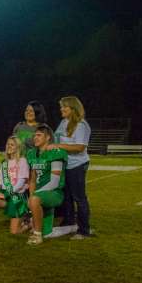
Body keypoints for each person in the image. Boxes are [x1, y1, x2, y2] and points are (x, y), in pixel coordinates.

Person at [50, 96, 92, 240]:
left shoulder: (81, 125)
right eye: (61, 107)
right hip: (65, 164)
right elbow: (55, 137)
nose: (61, 109)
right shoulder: (63, 122)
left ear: (73, 108)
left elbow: (80, 147)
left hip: (77, 165)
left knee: (79, 198)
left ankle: (84, 230)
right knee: (66, 196)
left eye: (64, 107)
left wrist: (58, 146)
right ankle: (69, 223)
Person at [26, 124, 68, 245]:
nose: (35, 137)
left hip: (54, 193)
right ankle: (73, 227)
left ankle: (37, 235)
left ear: (48, 137)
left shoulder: (55, 152)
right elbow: (33, 179)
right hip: (40, 195)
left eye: (39, 135)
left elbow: (54, 182)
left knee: (34, 200)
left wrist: (35, 197)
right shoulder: (32, 153)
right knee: (48, 233)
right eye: (35, 135)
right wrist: (32, 196)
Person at [0, 136, 30, 235]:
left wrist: (6, 194)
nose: (9, 146)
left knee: (15, 232)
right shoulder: (4, 163)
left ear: (18, 147)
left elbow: (21, 183)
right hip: (5, 193)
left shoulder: (22, 161)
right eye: (8, 144)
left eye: (12, 145)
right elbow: (1, 181)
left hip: (17, 196)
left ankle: (28, 224)